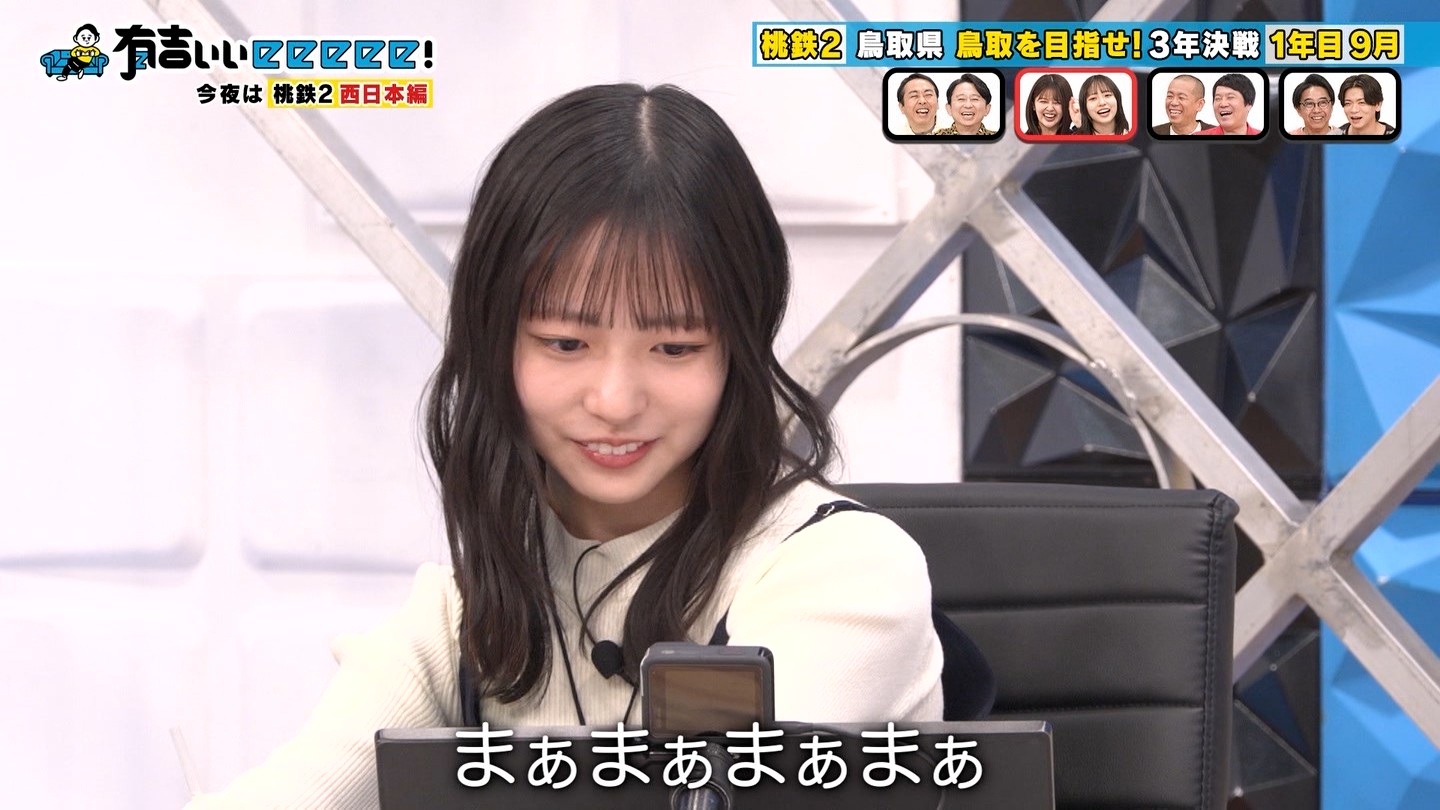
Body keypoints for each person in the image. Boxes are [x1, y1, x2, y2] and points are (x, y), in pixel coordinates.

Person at [182, 83, 944, 808]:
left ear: (737, 350)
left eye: (675, 348)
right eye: (566, 343)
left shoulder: (843, 575)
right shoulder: (467, 611)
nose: (614, 400)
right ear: (496, 341)